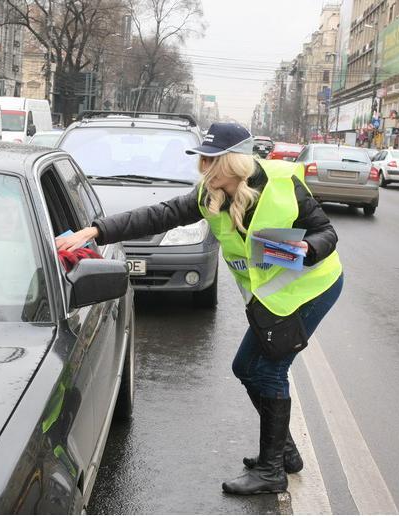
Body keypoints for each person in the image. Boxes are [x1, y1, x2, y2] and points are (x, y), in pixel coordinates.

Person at [56, 122, 343, 496]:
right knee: (246, 367)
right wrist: (97, 231)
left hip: (311, 288)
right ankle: (283, 453)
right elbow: (159, 214)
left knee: (270, 370)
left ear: (235, 161)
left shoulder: (282, 183)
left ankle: (272, 470)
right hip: (272, 296)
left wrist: (308, 250)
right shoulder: (210, 195)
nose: (204, 167)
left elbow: (327, 232)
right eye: (203, 159)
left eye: (211, 160)